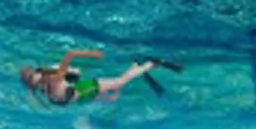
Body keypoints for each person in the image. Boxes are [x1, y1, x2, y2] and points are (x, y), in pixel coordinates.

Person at [20, 50, 180, 106]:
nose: (39, 84)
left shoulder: (54, 79)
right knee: (113, 98)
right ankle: (135, 67)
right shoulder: (43, 89)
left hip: (86, 89)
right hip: (83, 97)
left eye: (37, 79)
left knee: (121, 81)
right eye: (35, 83)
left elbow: (70, 54)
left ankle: (150, 64)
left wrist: (93, 54)